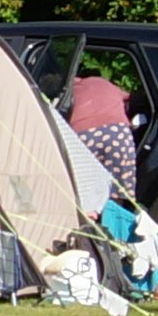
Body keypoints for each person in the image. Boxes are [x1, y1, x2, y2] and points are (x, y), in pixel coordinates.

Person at [60, 51, 142, 204]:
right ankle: (115, 216)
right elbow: (130, 99)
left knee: (83, 182)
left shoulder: (69, 89)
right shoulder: (104, 83)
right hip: (118, 133)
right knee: (120, 184)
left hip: (83, 134)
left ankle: (88, 214)